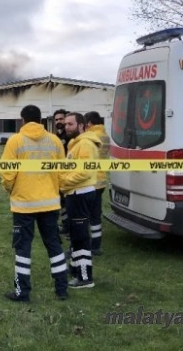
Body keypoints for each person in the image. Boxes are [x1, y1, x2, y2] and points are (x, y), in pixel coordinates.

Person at [0, 105, 68, 302]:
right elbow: (62, 172)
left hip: (24, 205)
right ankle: (62, 289)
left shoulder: (15, 141)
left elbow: (7, 172)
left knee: (23, 249)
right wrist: (59, 190)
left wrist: (11, 189)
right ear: (40, 120)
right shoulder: (55, 141)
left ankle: (22, 292)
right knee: (54, 246)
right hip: (50, 204)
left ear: (23, 120)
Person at [60, 112, 101, 289]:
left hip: (80, 193)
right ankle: (76, 269)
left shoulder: (84, 144)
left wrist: (64, 182)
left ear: (82, 125)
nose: (66, 127)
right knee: (76, 236)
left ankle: (85, 278)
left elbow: (84, 171)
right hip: (75, 193)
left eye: (70, 124)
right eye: (66, 124)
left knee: (81, 236)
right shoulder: (75, 144)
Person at [83, 111, 110, 256]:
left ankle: (86, 244)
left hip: (90, 180)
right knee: (95, 215)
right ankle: (96, 244)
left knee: (84, 215)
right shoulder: (105, 135)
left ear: (88, 123)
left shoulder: (91, 137)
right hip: (101, 181)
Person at [53, 109, 71, 235]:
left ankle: (71, 228)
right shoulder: (56, 136)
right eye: (56, 119)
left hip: (69, 174)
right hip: (59, 174)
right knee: (62, 202)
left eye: (61, 119)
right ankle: (66, 226)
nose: (59, 121)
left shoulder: (70, 135)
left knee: (69, 203)